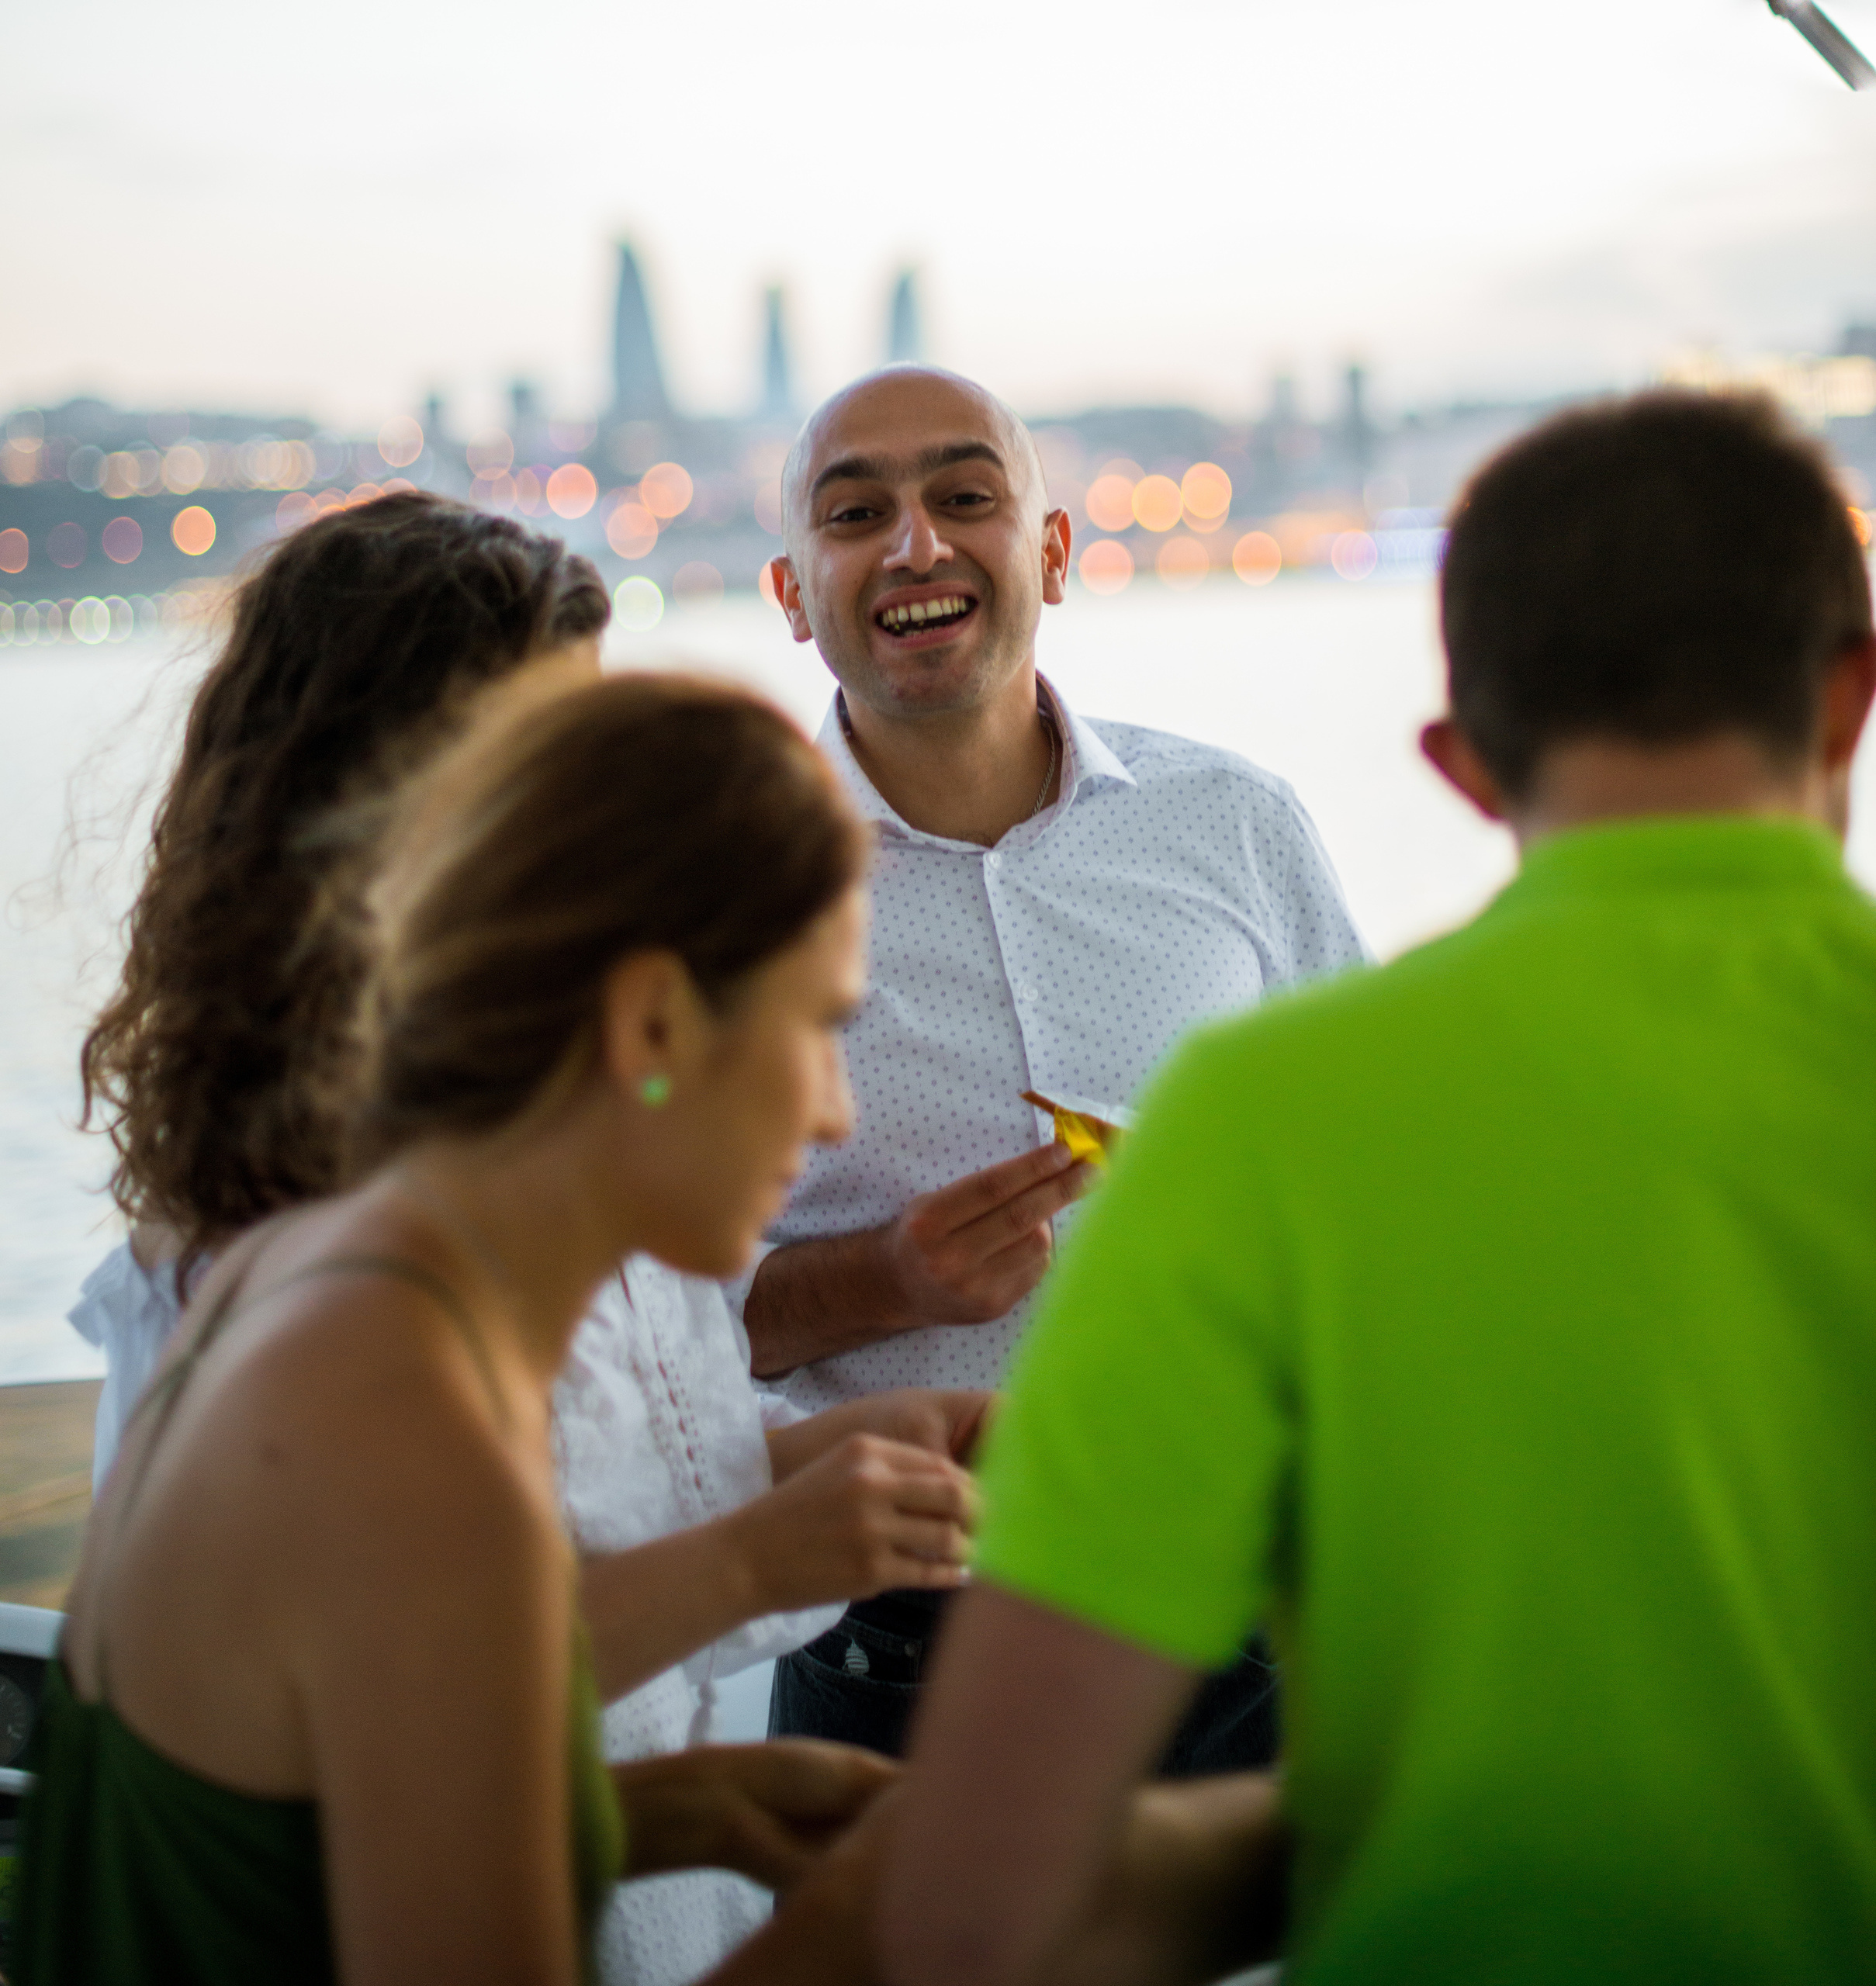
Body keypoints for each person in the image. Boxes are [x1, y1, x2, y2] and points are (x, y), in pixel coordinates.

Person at [877, 390, 1876, 1986]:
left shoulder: (1255, 1122)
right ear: (1851, 697)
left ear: (1461, 763)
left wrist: (1369, 1827)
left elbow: (977, 1906)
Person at [65, 492, 989, 1984]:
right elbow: (398, 1687)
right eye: (821, 1028)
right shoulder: (372, 1362)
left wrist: (687, 1802)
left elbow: (369, 1747)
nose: (838, 1114)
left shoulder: (408, 1258)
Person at [749, 364, 1366, 1766]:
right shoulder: (714, 894)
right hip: (898, 1643)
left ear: (1052, 552)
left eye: (965, 497)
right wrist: (881, 1281)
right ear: (791, 593)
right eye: (856, 514)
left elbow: (1376, 1190)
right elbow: (622, 1334)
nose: (915, 545)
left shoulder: (1236, 825)